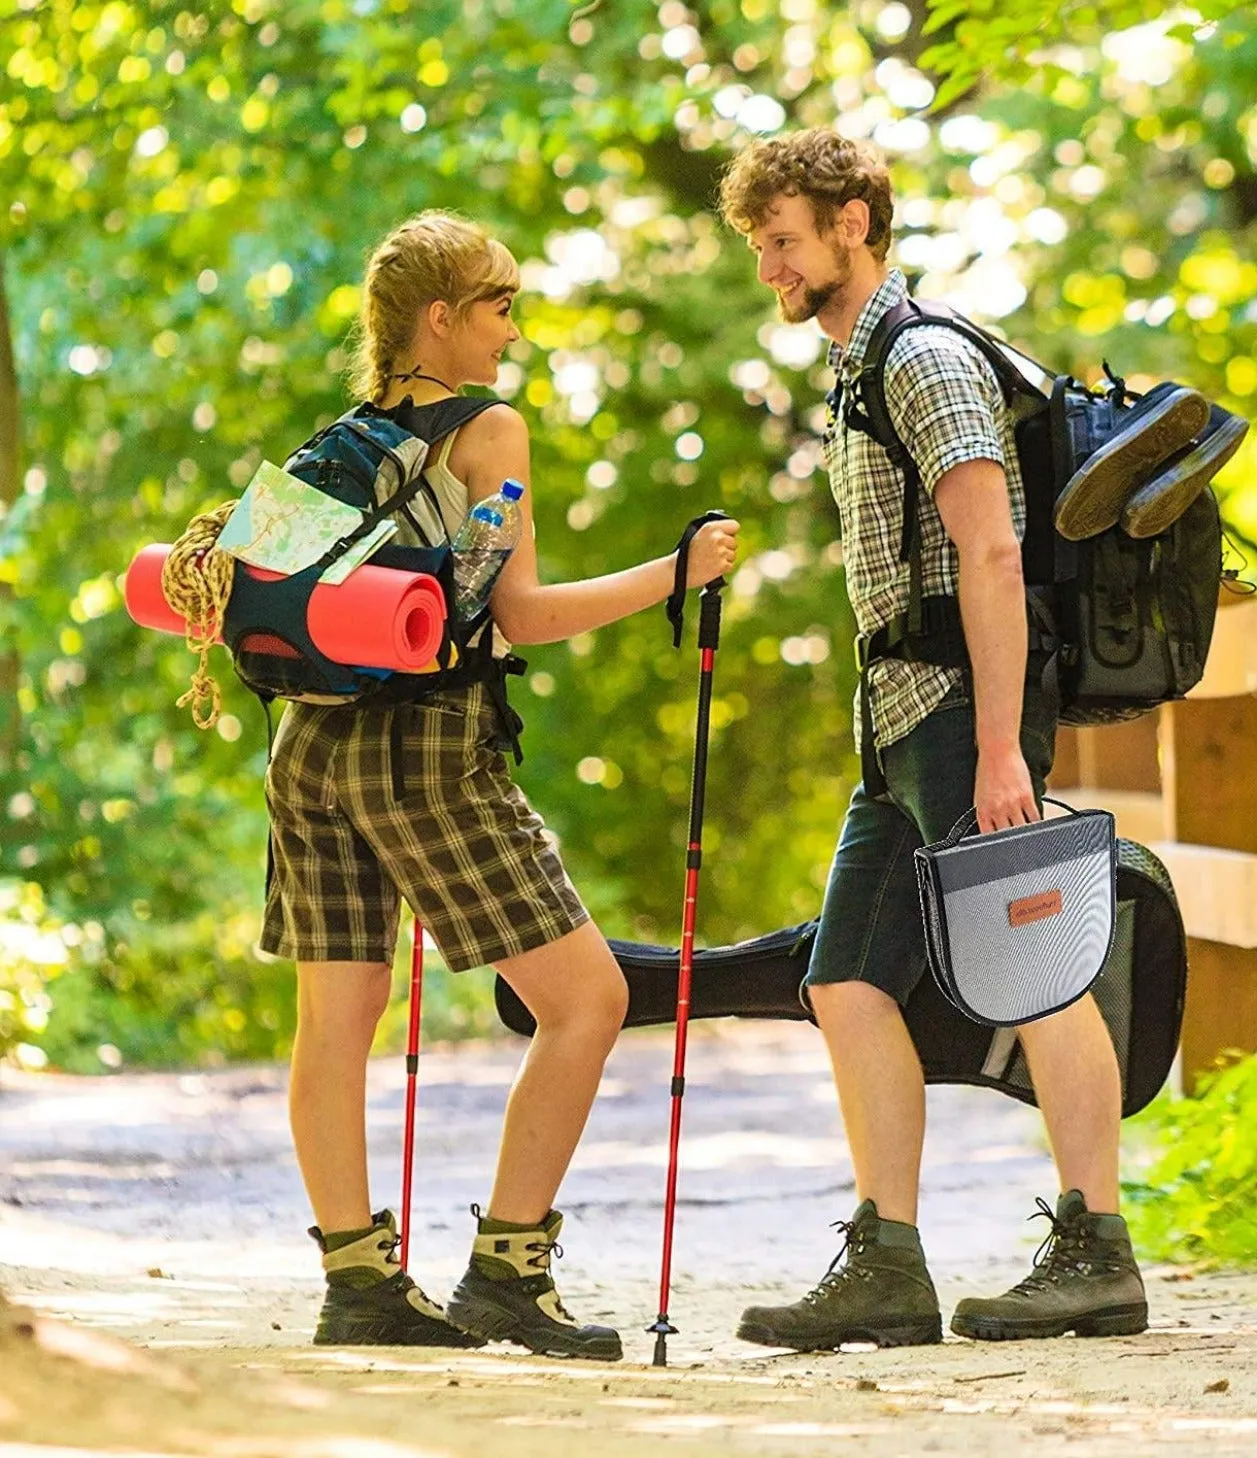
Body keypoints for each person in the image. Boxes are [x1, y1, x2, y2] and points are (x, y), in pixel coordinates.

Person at [259, 210, 739, 1356]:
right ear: (440, 318)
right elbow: (516, 613)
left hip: (304, 750)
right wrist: (675, 573)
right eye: (498, 305)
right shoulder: (489, 430)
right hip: (424, 751)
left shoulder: (344, 435)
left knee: (335, 1020)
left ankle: (359, 1286)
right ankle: (509, 1273)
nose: (512, 332)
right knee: (589, 1000)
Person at [717, 132, 1147, 1348]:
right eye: (760, 249)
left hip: (964, 720)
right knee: (845, 981)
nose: (772, 270)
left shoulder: (925, 358)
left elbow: (994, 551)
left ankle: (1098, 1246)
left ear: (854, 222)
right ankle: (889, 1263)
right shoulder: (857, 368)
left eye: (784, 241)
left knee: (1037, 973)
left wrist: (1006, 750)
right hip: (898, 733)